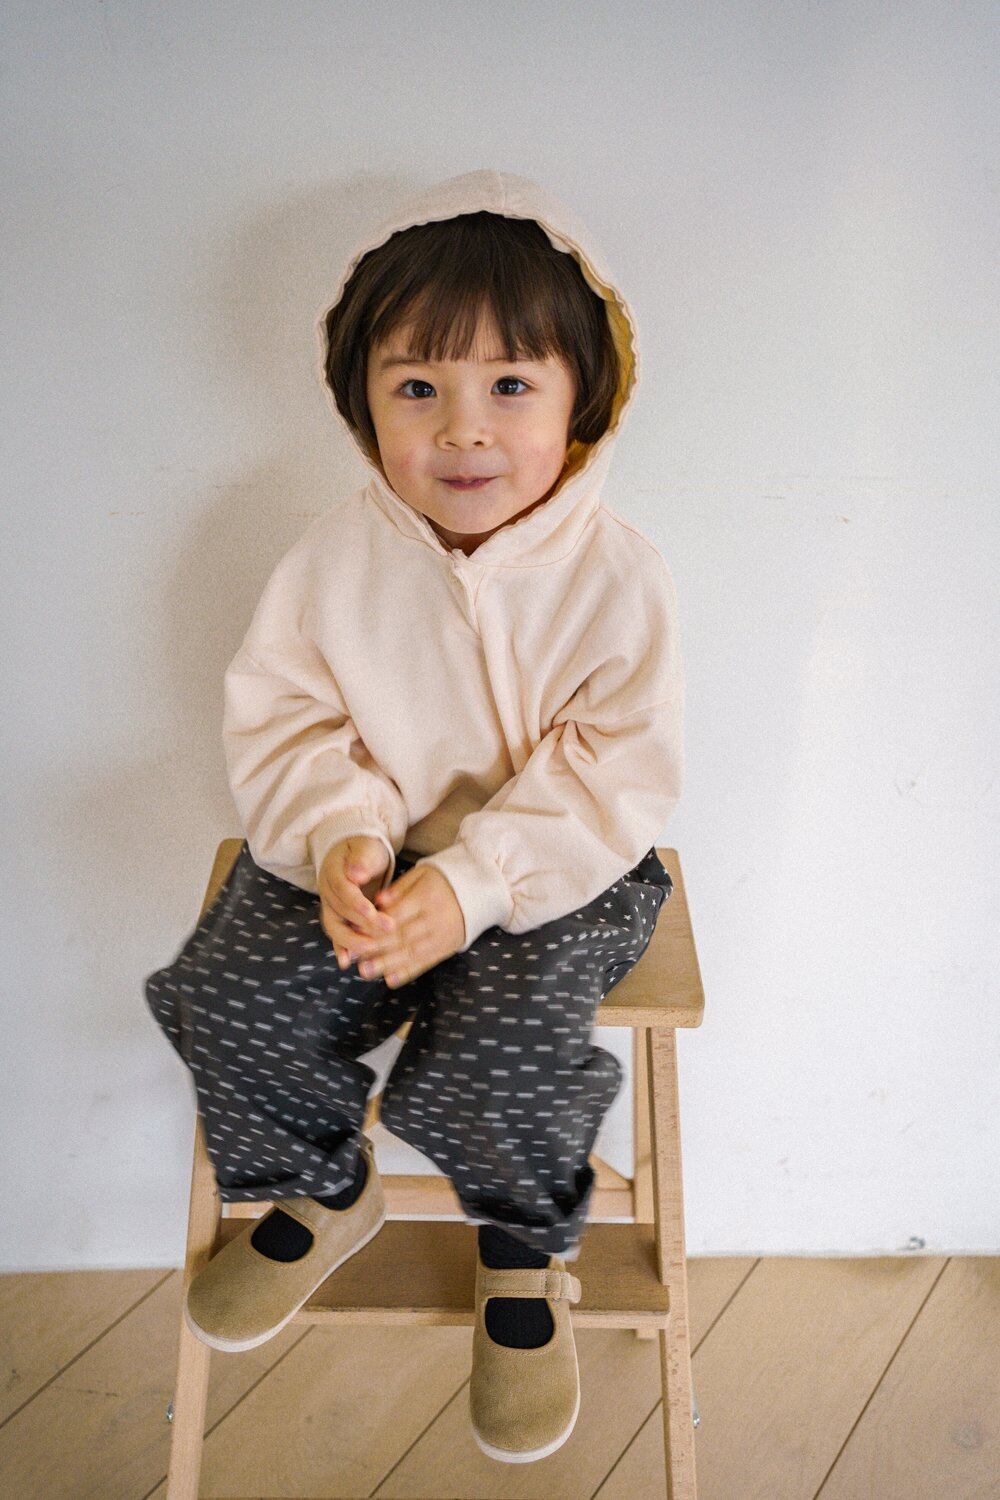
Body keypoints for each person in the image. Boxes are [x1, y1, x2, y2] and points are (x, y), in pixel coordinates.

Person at [144, 167, 684, 1464]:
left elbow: (616, 768)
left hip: (560, 870)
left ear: (586, 396)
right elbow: (291, 719)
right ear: (361, 401)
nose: (464, 431)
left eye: (511, 385)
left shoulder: (617, 576)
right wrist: (344, 835)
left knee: (500, 1041)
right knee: (228, 992)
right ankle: (322, 1188)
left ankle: (522, 1250)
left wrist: (477, 883)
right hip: (363, 854)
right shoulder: (332, 560)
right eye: (418, 388)